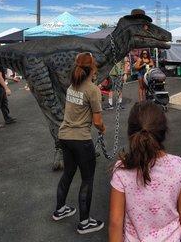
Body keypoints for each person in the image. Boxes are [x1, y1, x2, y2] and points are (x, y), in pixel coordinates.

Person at [109, 101, 181, 242]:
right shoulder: (177, 165)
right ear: (163, 132)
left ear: (131, 133)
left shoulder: (122, 170)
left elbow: (115, 222)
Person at [53, 52, 106, 235]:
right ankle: (84, 222)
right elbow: (98, 122)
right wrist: (102, 129)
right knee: (87, 179)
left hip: (65, 136)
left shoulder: (72, 87)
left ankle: (60, 209)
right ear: (92, 68)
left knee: (68, 173)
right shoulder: (92, 90)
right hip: (81, 139)